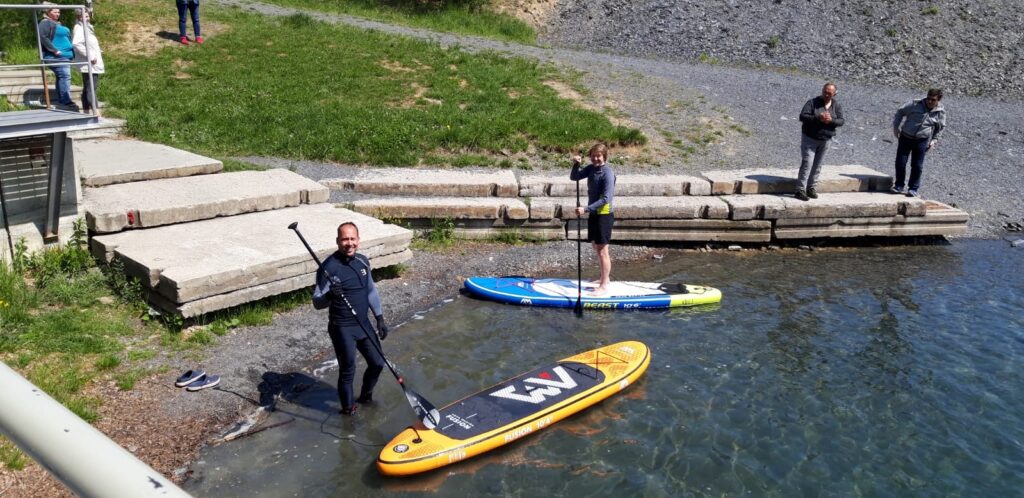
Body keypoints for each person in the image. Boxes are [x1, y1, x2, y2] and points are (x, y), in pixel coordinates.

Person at [312, 222, 389, 415]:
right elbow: (317, 302)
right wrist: (330, 296)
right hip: (342, 327)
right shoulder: (328, 268)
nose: (349, 243)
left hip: (363, 324)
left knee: (378, 363)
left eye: (352, 238)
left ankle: (365, 397)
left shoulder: (363, 261)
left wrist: (379, 318)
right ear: (338, 241)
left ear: (358, 240)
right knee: (348, 370)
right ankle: (348, 411)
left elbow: (370, 290)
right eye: (345, 239)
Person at [570, 143, 616, 296]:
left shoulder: (607, 173)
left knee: (603, 250)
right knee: (596, 246)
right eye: (594, 155)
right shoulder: (591, 169)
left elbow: (606, 199)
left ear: (604, 157)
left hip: (604, 214)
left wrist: (585, 209)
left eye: (599, 156)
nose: (596, 158)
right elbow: (574, 177)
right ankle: (604, 278)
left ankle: (604, 285)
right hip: (594, 214)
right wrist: (576, 165)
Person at [891, 89, 946, 197]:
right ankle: (899, 185)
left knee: (917, 166)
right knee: (901, 163)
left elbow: (940, 128)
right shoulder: (915, 104)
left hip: (922, 141)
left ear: (938, 100)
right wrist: (895, 127)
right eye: (928, 98)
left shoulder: (940, 112)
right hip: (905, 137)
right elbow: (900, 112)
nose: (929, 101)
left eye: (933, 99)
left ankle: (913, 188)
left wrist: (934, 140)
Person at [795, 82, 844, 201]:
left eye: (829, 93)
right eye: (825, 92)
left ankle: (811, 187)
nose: (826, 95)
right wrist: (818, 118)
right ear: (822, 91)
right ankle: (800, 189)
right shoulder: (812, 102)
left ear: (834, 94)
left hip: (826, 139)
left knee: (817, 165)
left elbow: (841, 121)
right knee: (807, 163)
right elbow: (803, 117)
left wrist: (831, 121)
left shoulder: (836, 106)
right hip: (810, 138)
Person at [38, 6, 76, 109]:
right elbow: (42, 37)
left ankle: (62, 99)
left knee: (62, 77)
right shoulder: (45, 22)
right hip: (54, 56)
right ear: (48, 12)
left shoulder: (58, 24)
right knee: (64, 76)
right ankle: (65, 100)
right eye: (55, 12)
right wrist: (55, 50)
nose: (58, 14)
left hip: (65, 57)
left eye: (58, 12)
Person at [72, 9, 104, 115]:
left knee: (87, 88)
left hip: (91, 63)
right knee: (91, 88)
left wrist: (96, 50)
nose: (86, 18)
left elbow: (87, 43)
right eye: (83, 17)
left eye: (87, 16)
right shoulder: (80, 28)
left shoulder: (87, 27)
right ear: (78, 17)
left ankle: (86, 111)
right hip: (90, 63)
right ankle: (96, 112)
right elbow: (76, 43)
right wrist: (90, 55)